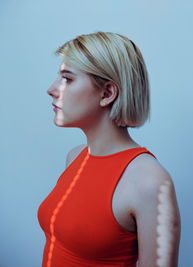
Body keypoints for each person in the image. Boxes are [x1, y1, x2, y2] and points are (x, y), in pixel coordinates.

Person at [37, 31, 181, 267]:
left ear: (107, 93)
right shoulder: (75, 157)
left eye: (68, 79)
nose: (52, 89)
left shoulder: (150, 181)